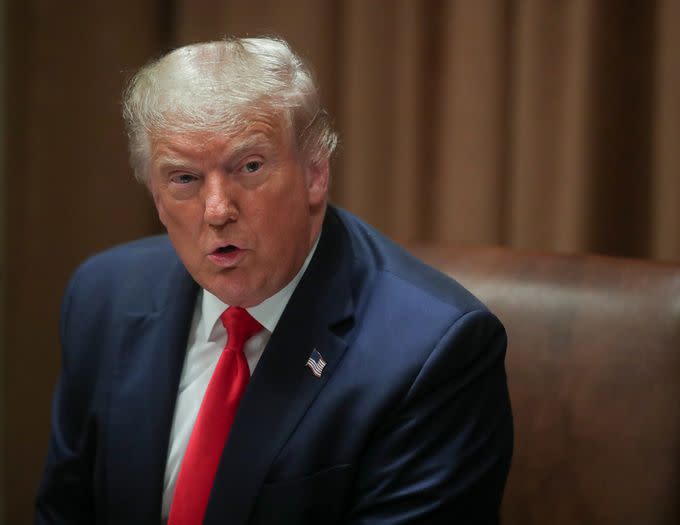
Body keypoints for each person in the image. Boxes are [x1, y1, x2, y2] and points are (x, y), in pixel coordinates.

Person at [35, 36, 513, 525]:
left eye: (249, 167)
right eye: (183, 178)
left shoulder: (435, 354)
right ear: (155, 195)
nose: (218, 210)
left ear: (315, 173)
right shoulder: (104, 297)